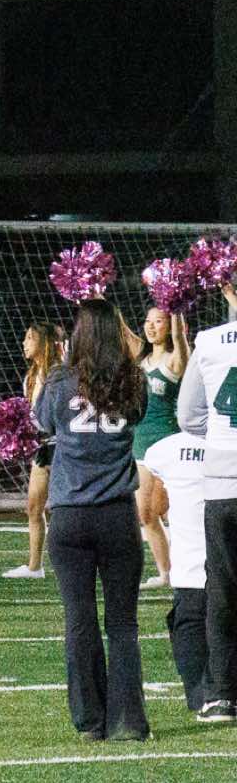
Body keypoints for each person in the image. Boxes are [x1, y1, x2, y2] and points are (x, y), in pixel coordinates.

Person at [33, 297, 149, 741]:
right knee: (122, 622)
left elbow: (42, 422)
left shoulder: (60, 381)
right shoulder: (132, 378)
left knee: (79, 619)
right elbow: (138, 412)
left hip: (70, 517)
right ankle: (129, 721)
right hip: (117, 514)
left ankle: (90, 721)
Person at [177, 268, 237, 724]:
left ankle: (222, 693)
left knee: (222, 589)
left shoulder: (210, 341)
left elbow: (188, 416)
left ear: (225, 288)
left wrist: (220, 438)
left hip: (222, 481)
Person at [142, 430, 218, 718]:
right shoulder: (227, 441)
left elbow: (157, 507)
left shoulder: (164, 449)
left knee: (190, 627)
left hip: (190, 569)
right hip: (224, 561)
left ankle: (203, 697)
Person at [4, 321, 65, 580]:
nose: (24, 343)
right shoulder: (31, 377)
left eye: (30, 338)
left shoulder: (60, 374)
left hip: (62, 447)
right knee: (33, 506)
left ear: (46, 343)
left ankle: (71, 563)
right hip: (42, 448)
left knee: (64, 509)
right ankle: (34, 566)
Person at [133, 305, 189, 587]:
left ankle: (189, 568)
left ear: (170, 326)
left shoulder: (175, 359)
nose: (151, 326)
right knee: (145, 513)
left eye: (158, 321)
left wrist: (175, 306)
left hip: (168, 445)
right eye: (148, 321)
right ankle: (165, 573)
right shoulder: (140, 359)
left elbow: (180, 339)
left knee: (170, 510)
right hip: (141, 445)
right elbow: (121, 332)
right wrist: (93, 295)